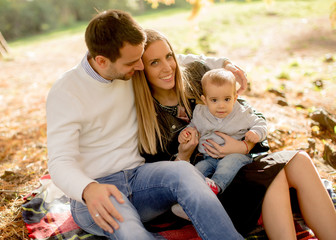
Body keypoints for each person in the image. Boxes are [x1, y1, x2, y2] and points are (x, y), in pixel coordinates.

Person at [46, 10, 244, 240]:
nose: (141, 66)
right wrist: (87, 189)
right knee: (132, 234)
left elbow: (174, 61)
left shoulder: (129, 70)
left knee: (183, 171)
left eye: (141, 57)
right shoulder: (66, 92)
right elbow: (59, 161)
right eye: (133, 61)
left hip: (141, 179)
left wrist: (224, 64)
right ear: (101, 61)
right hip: (98, 193)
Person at [132, 28, 336, 239]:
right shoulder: (148, 120)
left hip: (238, 165)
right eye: (154, 62)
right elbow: (161, 187)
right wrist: (184, 155)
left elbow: (249, 114)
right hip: (207, 189)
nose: (167, 68)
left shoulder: (193, 77)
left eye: (169, 57)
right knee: (273, 176)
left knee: (299, 161)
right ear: (141, 69)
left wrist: (243, 146)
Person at [179, 68, 267, 194]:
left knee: (227, 165)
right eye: (214, 100)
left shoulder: (242, 113)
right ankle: (187, 196)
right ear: (205, 100)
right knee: (198, 169)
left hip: (235, 156)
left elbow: (261, 123)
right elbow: (194, 126)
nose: (221, 105)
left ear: (235, 98)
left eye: (227, 99)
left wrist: (256, 133)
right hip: (208, 158)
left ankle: (216, 186)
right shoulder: (200, 112)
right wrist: (186, 133)